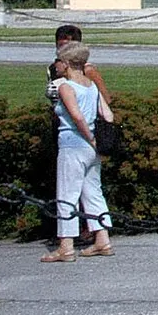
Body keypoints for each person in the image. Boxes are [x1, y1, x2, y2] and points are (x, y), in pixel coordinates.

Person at [41, 42, 113, 262]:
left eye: (59, 60)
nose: (57, 65)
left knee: (67, 194)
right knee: (93, 191)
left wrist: (89, 137)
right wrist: (97, 140)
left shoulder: (66, 86)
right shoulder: (91, 86)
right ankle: (102, 238)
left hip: (73, 144)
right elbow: (108, 115)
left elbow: (76, 115)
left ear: (68, 63)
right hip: (92, 149)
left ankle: (66, 245)